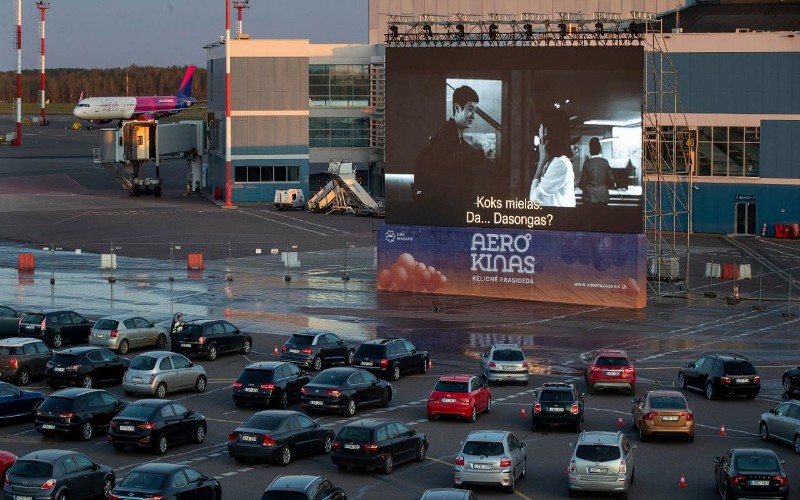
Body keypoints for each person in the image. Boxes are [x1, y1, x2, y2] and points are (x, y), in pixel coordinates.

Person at [414, 84, 486, 225]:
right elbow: (450, 166)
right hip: (447, 217)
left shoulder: (453, 135)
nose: (473, 116)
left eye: (475, 110)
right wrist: (479, 156)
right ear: (457, 108)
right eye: (470, 109)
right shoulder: (447, 135)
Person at [529, 108, 576, 207]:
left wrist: (540, 163)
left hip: (559, 220)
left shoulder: (560, 163)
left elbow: (533, 201)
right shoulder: (553, 161)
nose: (540, 133)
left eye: (541, 129)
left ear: (547, 131)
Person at [579, 137, 615, 206]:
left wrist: (579, 185)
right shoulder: (605, 162)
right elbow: (611, 180)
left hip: (589, 197)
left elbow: (583, 181)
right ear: (600, 149)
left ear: (590, 150)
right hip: (603, 196)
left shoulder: (587, 163)